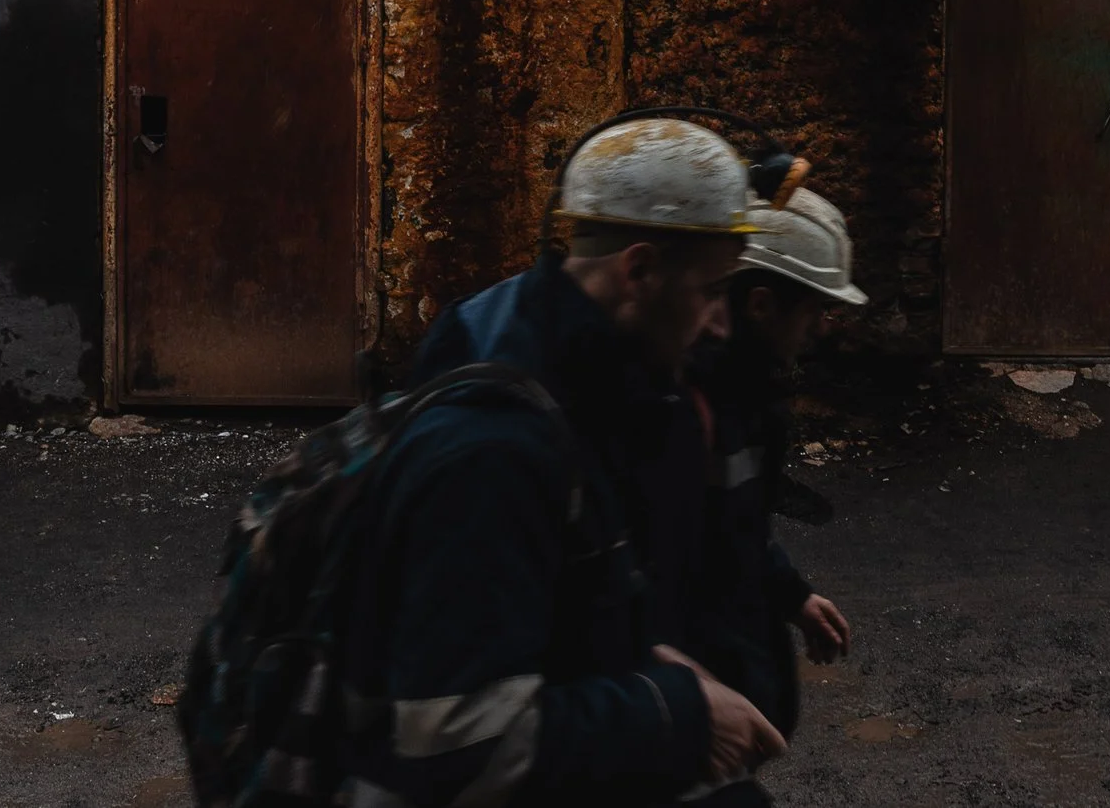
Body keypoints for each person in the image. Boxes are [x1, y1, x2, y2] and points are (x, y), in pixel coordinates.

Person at [337, 117, 788, 808]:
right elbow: (456, 741)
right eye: (711, 291)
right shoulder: (495, 445)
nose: (723, 324)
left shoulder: (603, 378)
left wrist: (640, 657)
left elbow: (562, 595)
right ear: (637, 270)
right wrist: (675, 714)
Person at [684, 186, 867, 805]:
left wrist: (792, 595)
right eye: (814, 308)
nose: (823, 325)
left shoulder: (749, 404)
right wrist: (680, 708)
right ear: (761, 304)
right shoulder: (686, 408)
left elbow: (735, 530)